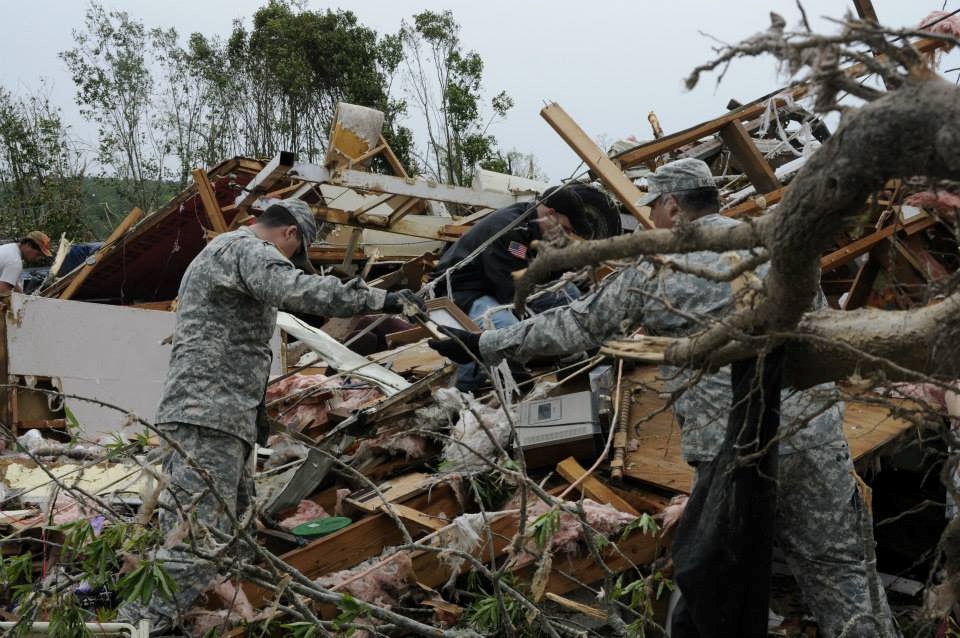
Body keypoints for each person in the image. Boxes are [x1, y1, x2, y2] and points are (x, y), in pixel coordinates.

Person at [429, 158, 899, 638]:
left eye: (654, 205)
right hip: (813, 434)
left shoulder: (661, 262)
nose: (652, 216)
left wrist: (484, 344)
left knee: (721, 588)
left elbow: (578, 324)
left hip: (733, 453)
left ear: (673, 205)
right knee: (842, 571)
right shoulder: (773, 244)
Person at [117, 200, 423, 634]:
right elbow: (299, 290)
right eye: (291, 257)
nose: (288, 262)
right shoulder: (245, 249)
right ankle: (137, 626)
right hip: (210, 415)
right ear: (290, 234)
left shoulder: (224, 254)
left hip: (220, 416)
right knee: (193, 542)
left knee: (233, 536)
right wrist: (382, 299)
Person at [431, 185, 602, 391]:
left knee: (568, 293)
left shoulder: (534, 224)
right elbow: (510, 292)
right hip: (461, 291)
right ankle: (469, 391)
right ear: (550, 214)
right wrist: (539, 328)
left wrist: (568, 272)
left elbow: (530, 267)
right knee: (504, 326)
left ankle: (572, 362)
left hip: (494, 284)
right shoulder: (510, 230)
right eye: (565, 229)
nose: (566, 235)